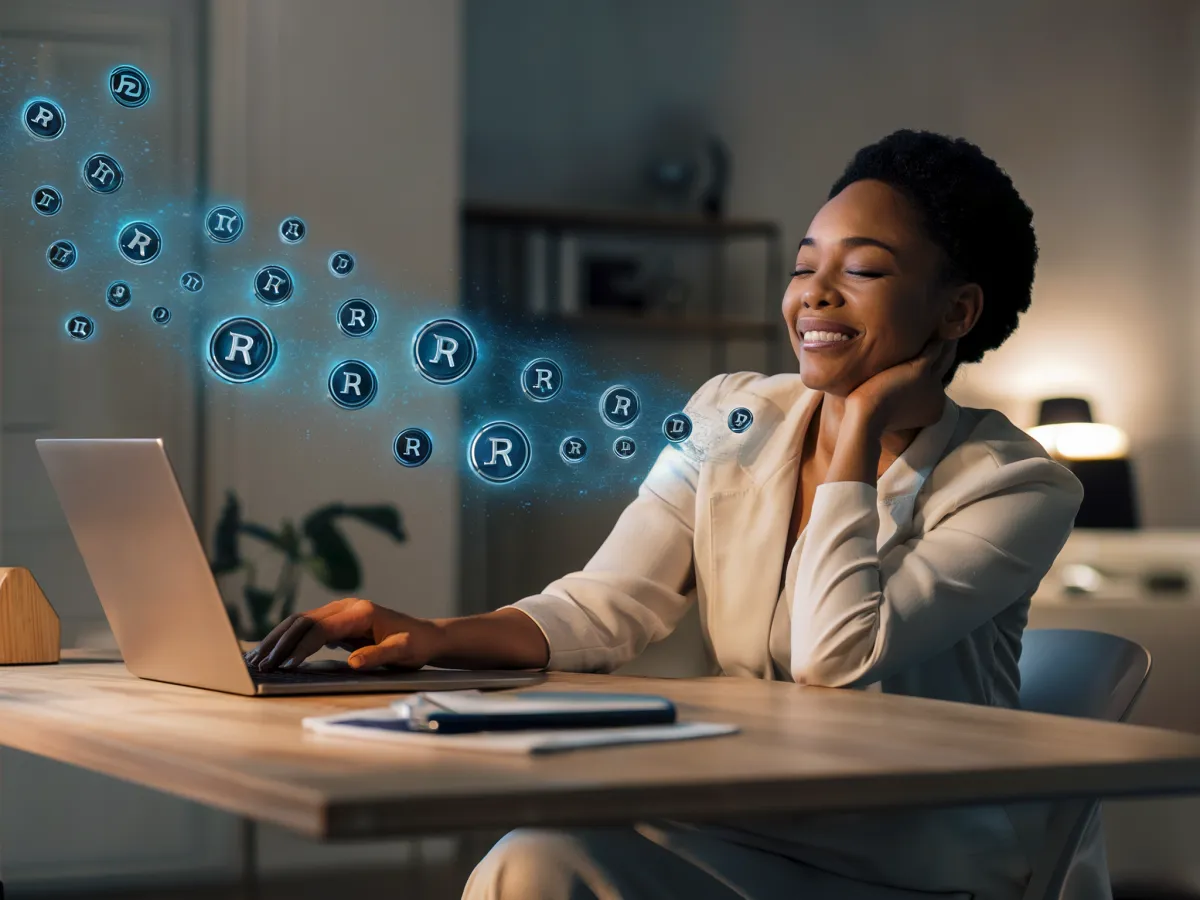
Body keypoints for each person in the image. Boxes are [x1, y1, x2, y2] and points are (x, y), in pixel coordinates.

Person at [249, 129, 1092, 900]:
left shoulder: (1016, 485)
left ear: (958, 312)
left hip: (907, 860)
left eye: (862, 271)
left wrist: (859, 427)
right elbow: (607, 604)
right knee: (531, 860)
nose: (817, 296)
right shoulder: (733, 414)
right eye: (804, 267)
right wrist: (436, 636)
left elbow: (834, 657)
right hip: (743, 815)